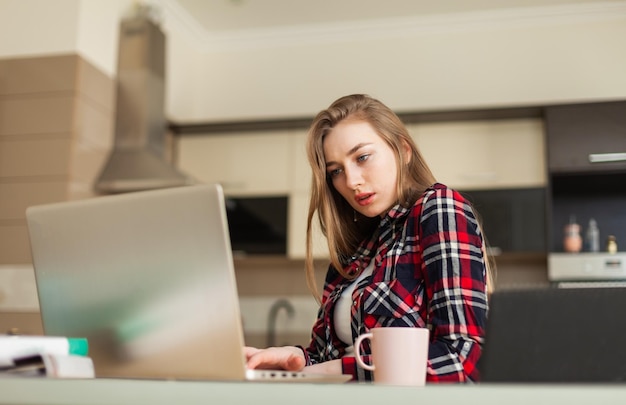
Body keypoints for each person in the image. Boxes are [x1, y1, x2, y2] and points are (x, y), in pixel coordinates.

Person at [245, 94, 492, 383]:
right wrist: (296, 358)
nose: (350, 181)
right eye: (336, 171)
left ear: (403, 149)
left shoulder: (437, 208)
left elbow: (464, 359)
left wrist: (340, 370)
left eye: (362, 157)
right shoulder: (355, 250)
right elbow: (327, 357)